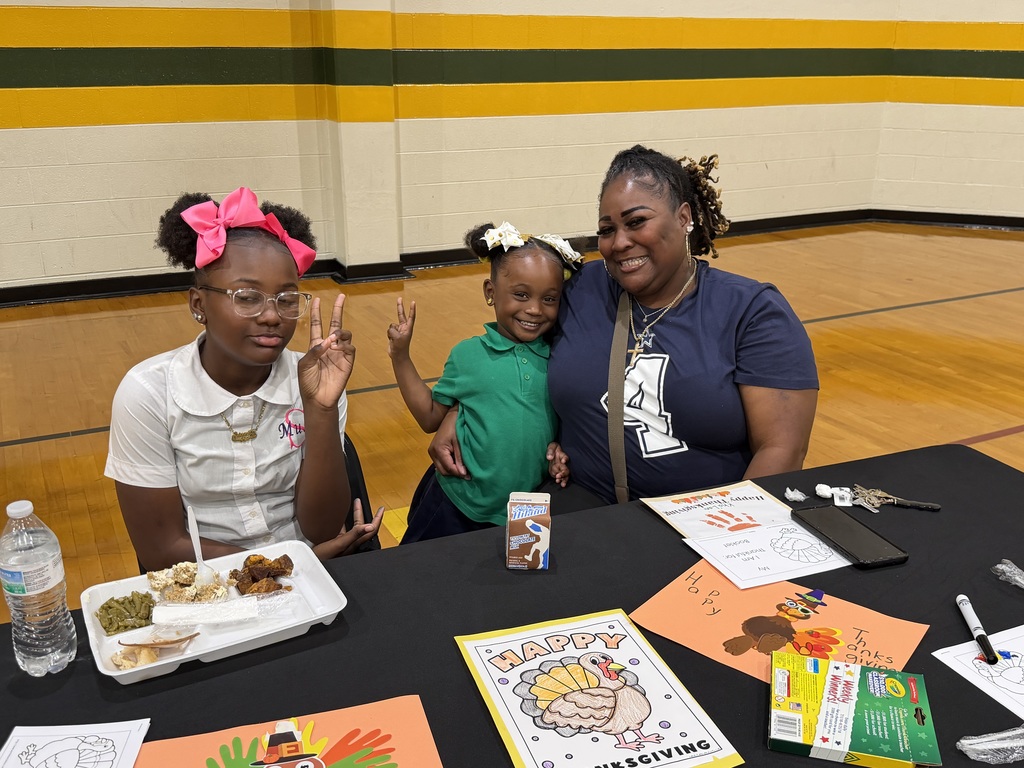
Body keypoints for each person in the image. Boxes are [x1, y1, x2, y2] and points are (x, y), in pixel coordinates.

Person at [429, 145, 818, 505]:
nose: (619, 243)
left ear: (684, 218)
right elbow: (515, 347)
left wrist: (729, 532)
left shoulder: (752, 312)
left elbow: (781, 450)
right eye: (607, 230)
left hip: (703, 521)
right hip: (579, 506)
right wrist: (460, 410)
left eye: (636, 222)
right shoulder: (579, 289)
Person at [105, 187, 382, 570]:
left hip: (310, 564)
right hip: (211, 579)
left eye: (287, 298)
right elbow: (161, 549)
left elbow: (320, 528)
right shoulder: (148, 394)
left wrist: (321, 410)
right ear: (198, 304)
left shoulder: (315, 379)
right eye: (247, 297)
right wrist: (286, 565)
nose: (272, 316)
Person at [387, 222, 581, 542]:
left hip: (524, 510)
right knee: (421, 567)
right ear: (491, 292)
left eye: (549, 299)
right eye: (521, 295)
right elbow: (430, 417)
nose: (535, 309)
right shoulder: (468, 355)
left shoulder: (560, 359)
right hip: (457, 502)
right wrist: (400, 356)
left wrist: (559, 451)